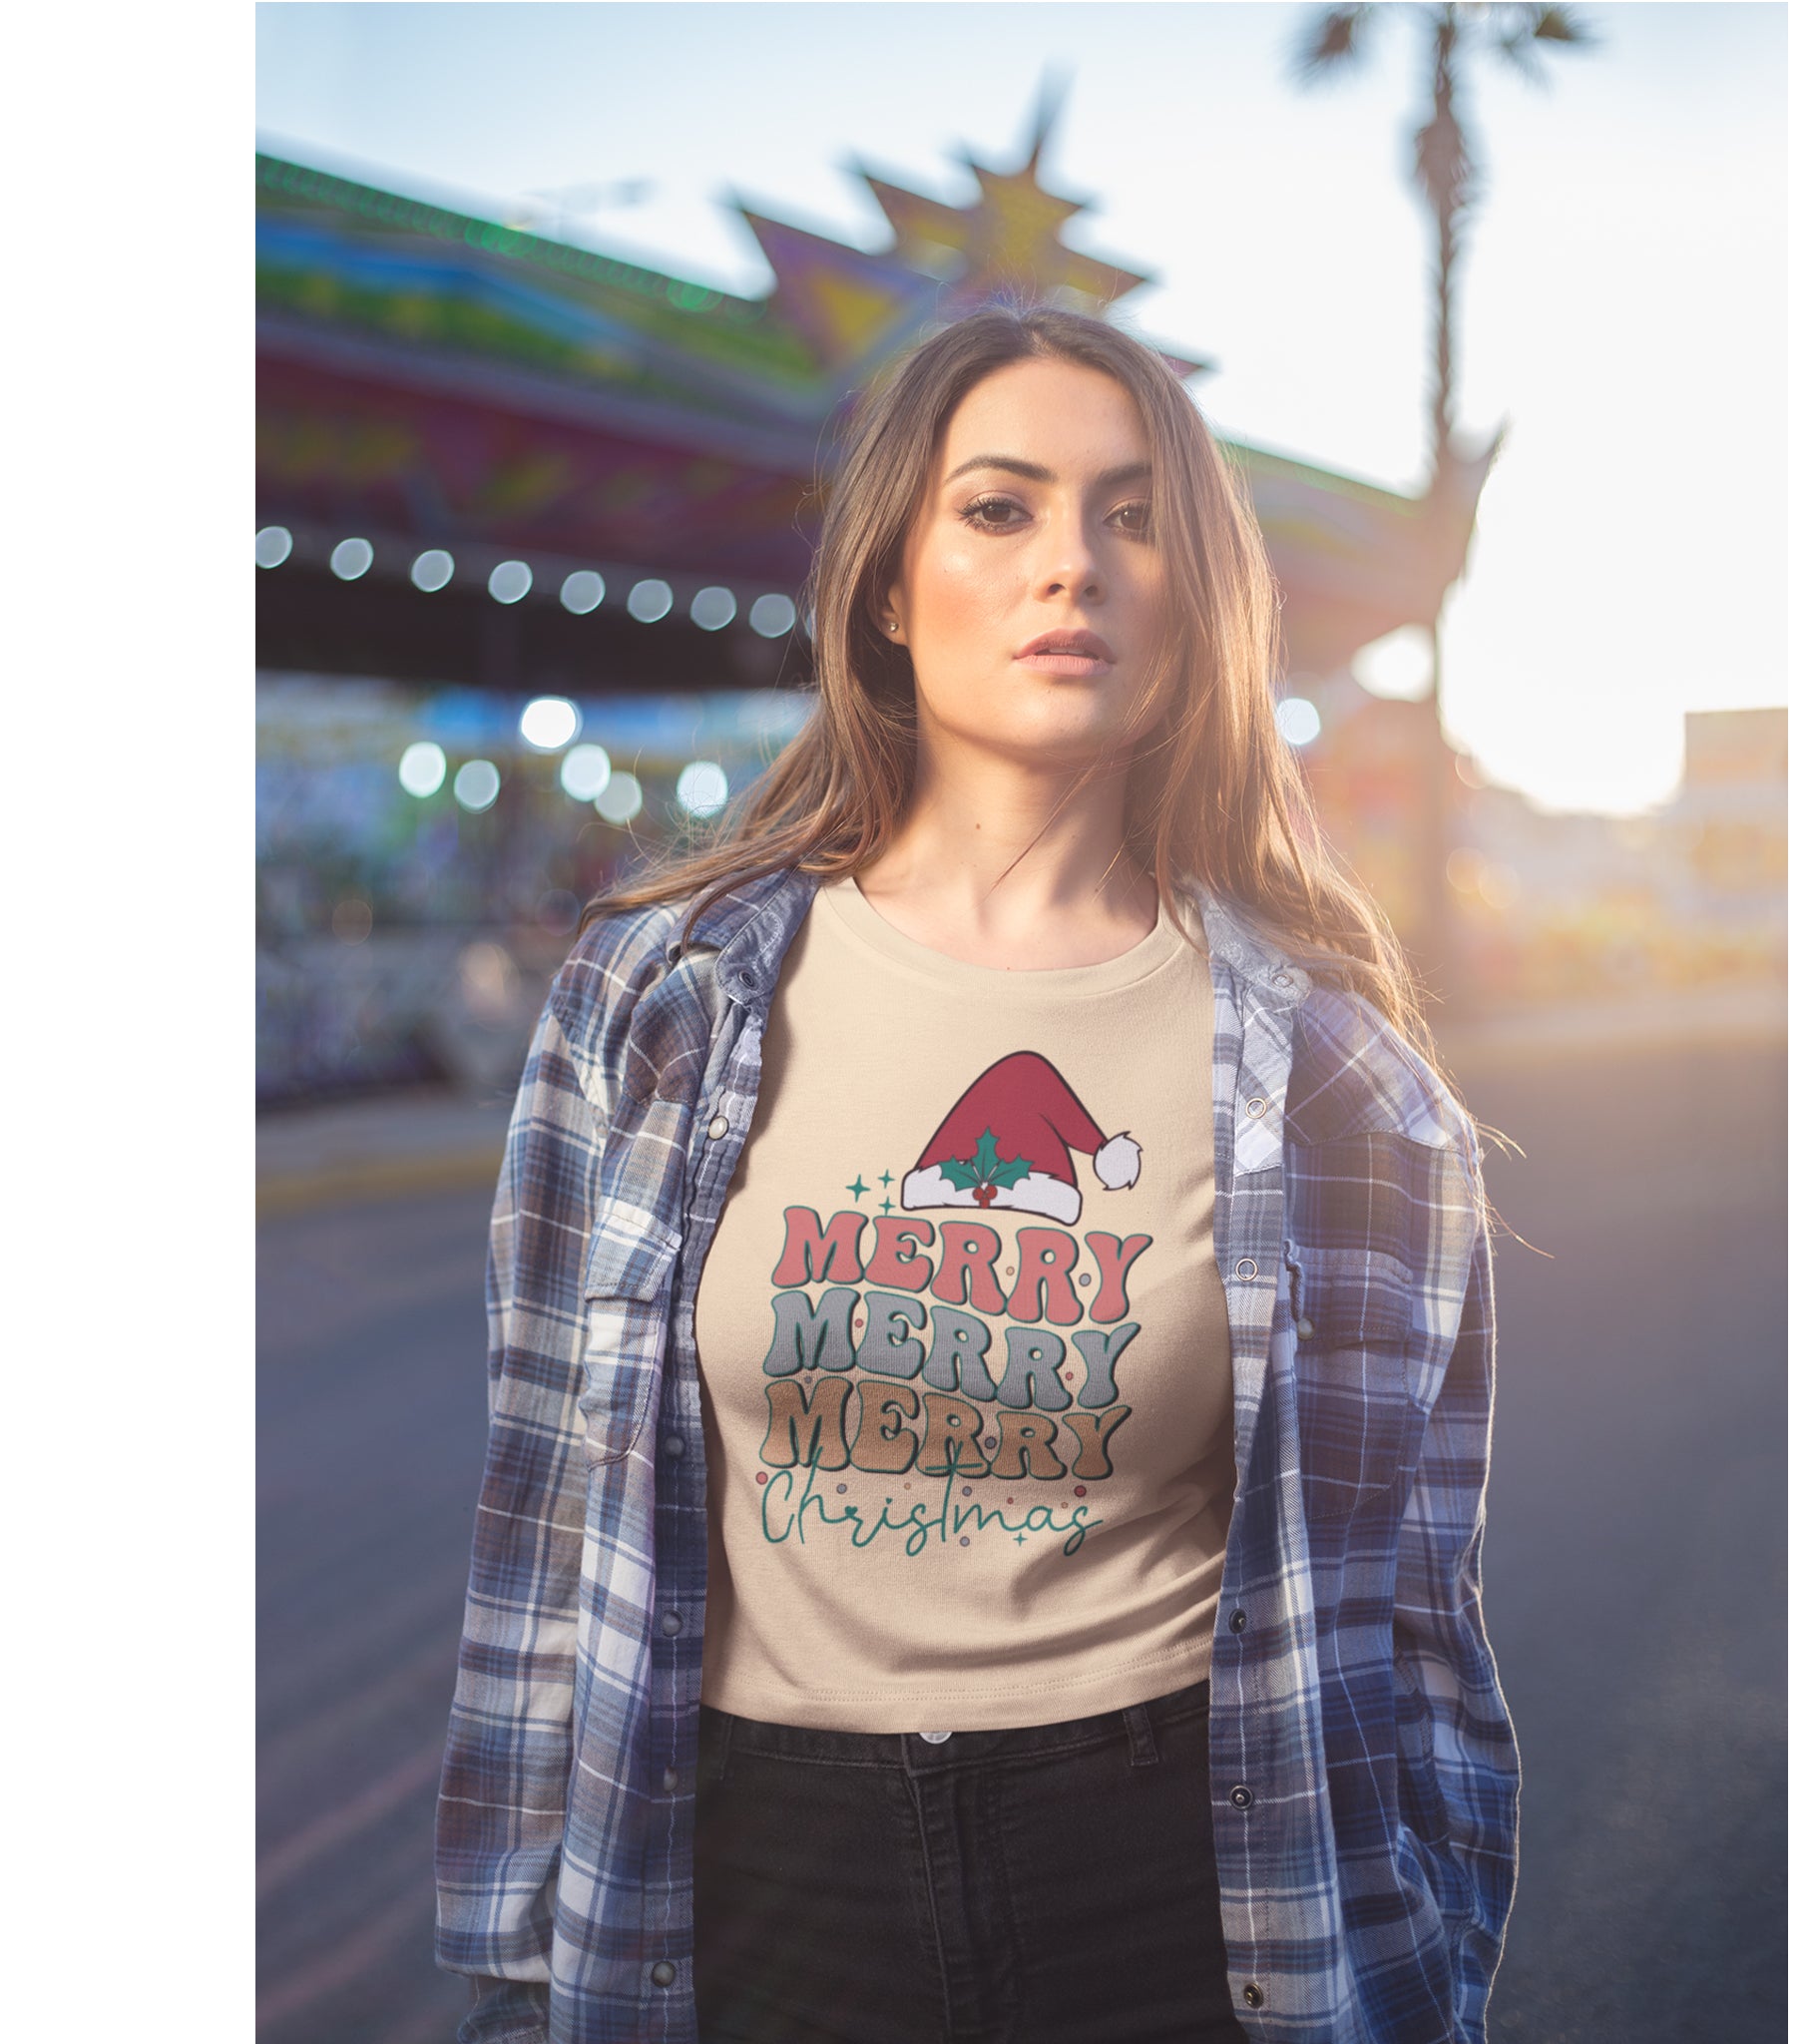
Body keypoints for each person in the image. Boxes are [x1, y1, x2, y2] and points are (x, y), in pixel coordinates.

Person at [435, 304, 1518, 2044]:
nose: (1069, 565)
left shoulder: (1332, 1079)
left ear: (1197, 596)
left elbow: (1406, 1616)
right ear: (888, 584)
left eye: (1133, 516)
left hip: (1175, 1893)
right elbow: (548, 1512)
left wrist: (1420, 1973)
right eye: (999, 508)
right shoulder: (662, 993)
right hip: (756, 1883)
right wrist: (515, 1960)